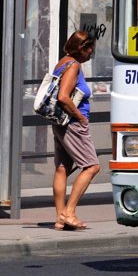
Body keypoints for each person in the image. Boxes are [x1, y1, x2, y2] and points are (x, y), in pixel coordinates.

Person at [51, 30, 100, 230]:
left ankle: (60, 218)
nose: (91, 54)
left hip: (60, 123)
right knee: (91, 166)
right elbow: (63, 96)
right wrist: (80, 117)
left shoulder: (62, 63)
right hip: (72, 124)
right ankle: (69, 212)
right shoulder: (74, 66)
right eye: (90, 49)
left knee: (62, 168)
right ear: (82, 48)